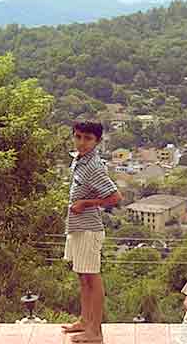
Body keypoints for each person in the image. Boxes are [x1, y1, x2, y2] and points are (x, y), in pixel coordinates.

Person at [61, 120, 122, 343]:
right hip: (77, 227)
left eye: (87, 138)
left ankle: (95, 332)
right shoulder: (79, 160)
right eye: (78, 137)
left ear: (97, 141)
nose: (81, 142)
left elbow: (115, 198)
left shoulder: (94, 165)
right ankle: (85, 321)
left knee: (92, 278)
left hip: (89, 229)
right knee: (82, 276)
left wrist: (86, 203)